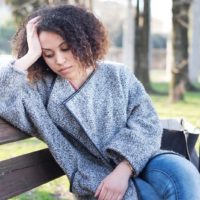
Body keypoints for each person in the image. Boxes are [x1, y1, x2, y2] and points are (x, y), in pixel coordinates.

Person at [0, 4, 200, 200]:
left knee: (184, 175)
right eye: (48, 54)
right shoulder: (39, 92)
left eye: (66, 48)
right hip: (97, 179)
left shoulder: (117, 74)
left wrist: (124, 169)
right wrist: (30, 55)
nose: (59, 60)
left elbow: (146, 121)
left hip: (142, 158)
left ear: (83, 41)